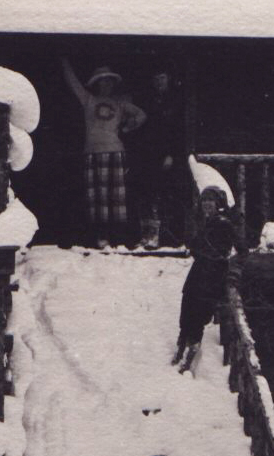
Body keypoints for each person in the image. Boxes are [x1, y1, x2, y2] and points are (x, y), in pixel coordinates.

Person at [61, 57, 146, 248]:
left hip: (116, 152)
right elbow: (72, 82)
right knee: (97, 197)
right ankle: (102, 236)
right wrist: (64, 61)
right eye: (102, 81)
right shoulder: (88, 99)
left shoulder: (121, 103)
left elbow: (141, 115)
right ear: (97, 84)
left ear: (113, 84)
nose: (105, 84)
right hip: (92, 153)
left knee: (117, 197)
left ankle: (118, 238)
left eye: (109, 81)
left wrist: (128, 127)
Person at [173, 185, 247, 373]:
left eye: (210, 201)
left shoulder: (223, 223)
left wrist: (233, 269)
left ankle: (192, 348)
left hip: (214, 272)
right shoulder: (204, 222)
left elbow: (242, 250)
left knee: (200, 308)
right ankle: (183, 343)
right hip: (199, 269)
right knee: (187, 300)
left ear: (218, 204)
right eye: (204, 201)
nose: (206, 204)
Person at [135, 64, 185, 247]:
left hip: (166, 155)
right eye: (156, 79)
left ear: (168, 79)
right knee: (145, 194)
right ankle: (145, 235)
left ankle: (159, 236)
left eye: (162, 78)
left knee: (161, 196)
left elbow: (177, 132)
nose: (159, 82)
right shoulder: (147, 100)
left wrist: (171, 154)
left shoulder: (175, 101)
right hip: (147, 154)